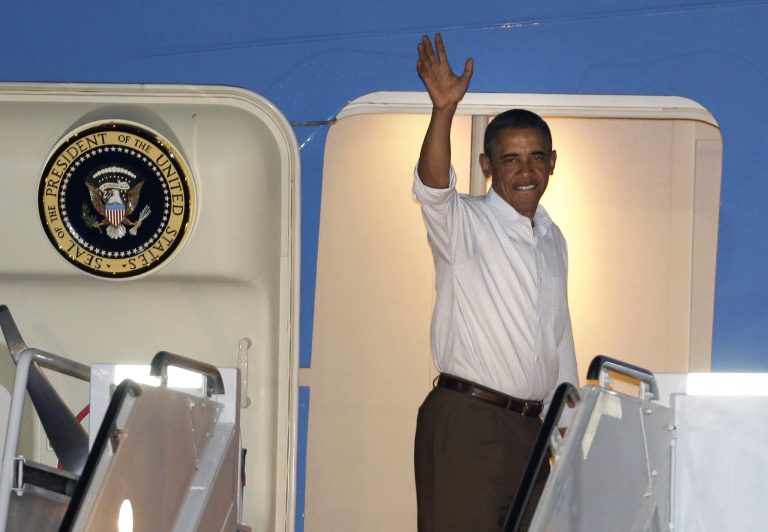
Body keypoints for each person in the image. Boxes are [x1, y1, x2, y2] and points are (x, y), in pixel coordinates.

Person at [412, 33, 579, 531]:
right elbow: (435, 186)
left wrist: (567, 430)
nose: (525, 171)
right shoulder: (465, 225)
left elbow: (559, 338)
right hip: (469, 421)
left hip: (532, 431)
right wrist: (444, 111)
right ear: (487, 167)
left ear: (552, 162)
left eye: (535, 158)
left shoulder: (553, 238)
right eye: (510, 159)